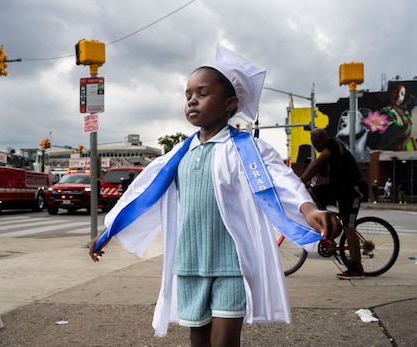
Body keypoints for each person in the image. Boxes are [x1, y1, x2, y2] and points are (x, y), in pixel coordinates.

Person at [89, 44, 340, 346]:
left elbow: (281, 179)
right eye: (188, 95)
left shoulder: (247, 149)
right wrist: (108, 230)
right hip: (190, 264)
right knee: (199, 338)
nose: (192, 100)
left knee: (223, 342)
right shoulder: (178, 154)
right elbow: (140, 192)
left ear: (229, 104)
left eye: (203, 93)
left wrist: (308, 210)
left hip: (231, 265)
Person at [301, 128, 367, 280]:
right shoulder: (328, 153)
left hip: (353, 190)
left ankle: (357, 268)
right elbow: (321, 170)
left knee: (349, 228)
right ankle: (326, 226)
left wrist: (301, 180)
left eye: (313, 142)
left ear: (318, 141)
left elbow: (318, 163)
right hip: (340, 191)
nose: (314, 146)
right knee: (312, 192)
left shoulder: (332, 145)